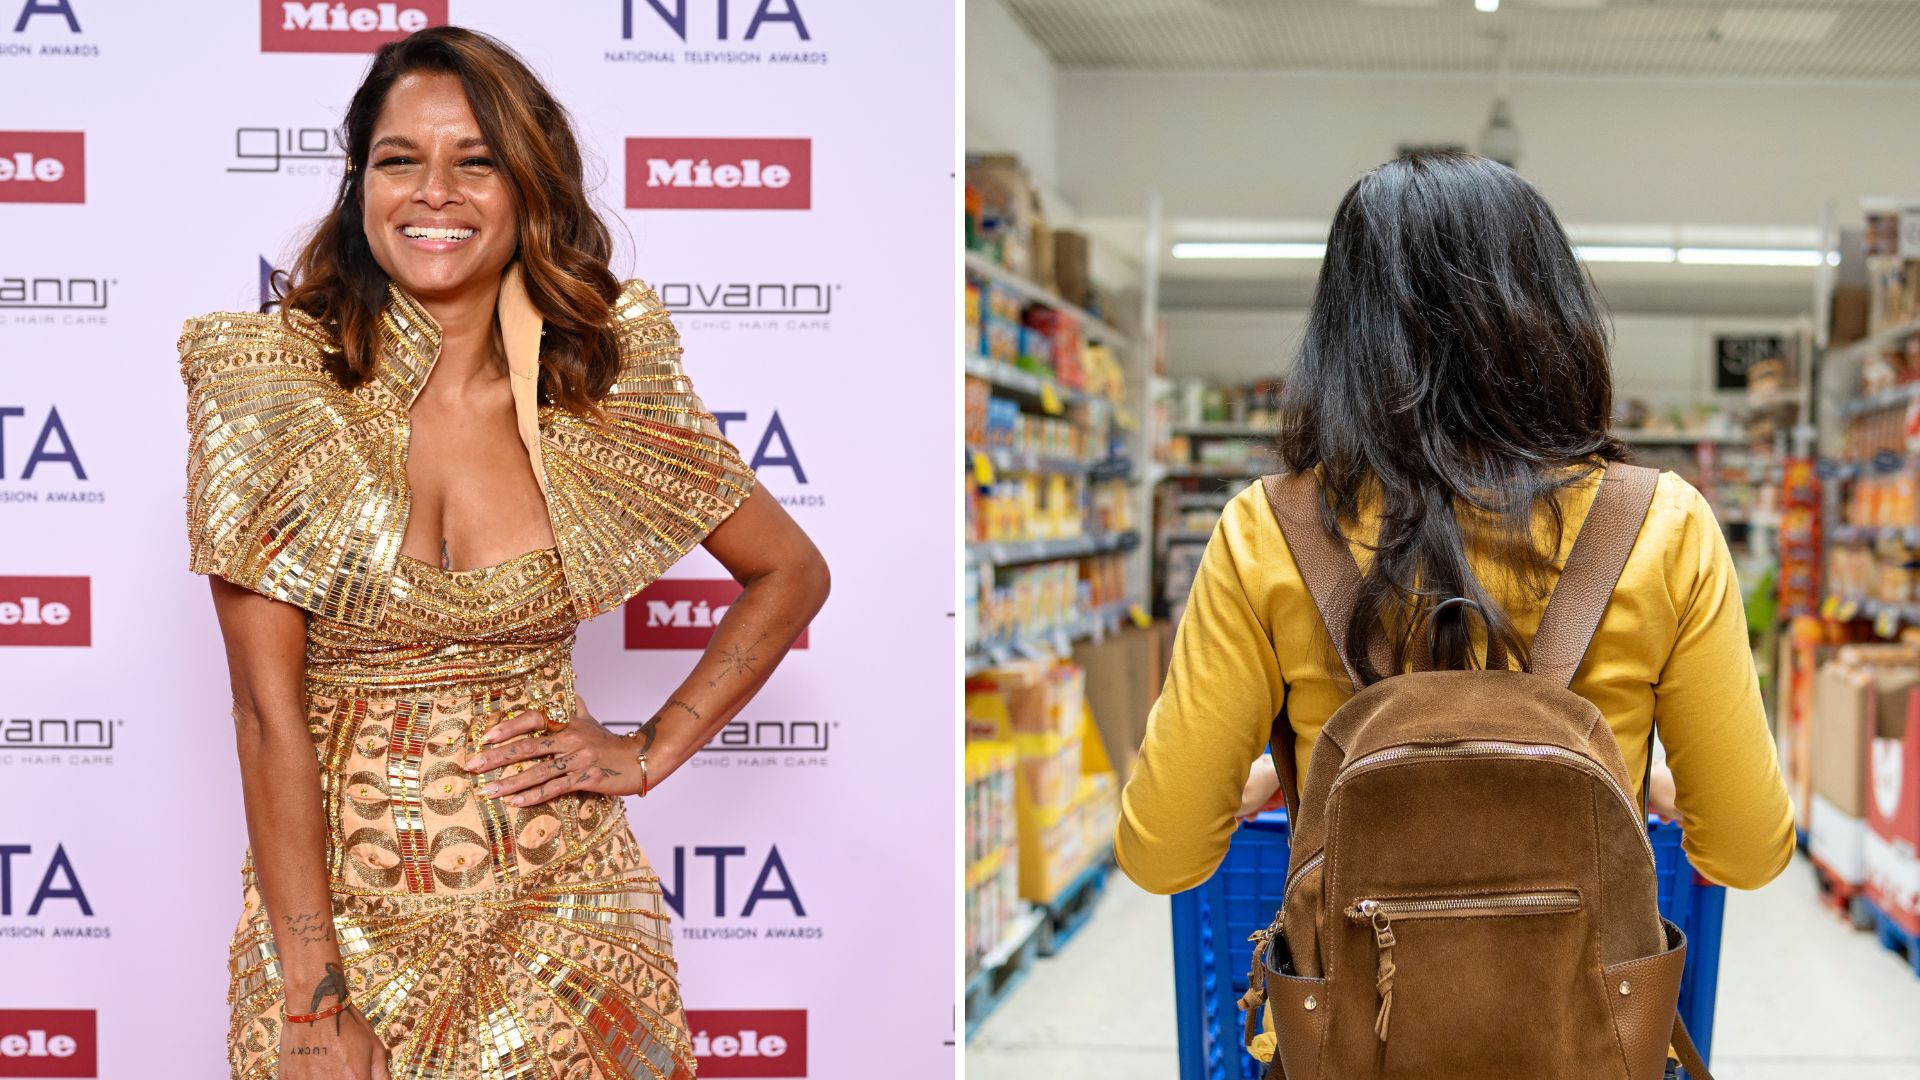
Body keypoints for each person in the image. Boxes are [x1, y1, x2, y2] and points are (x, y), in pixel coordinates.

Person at [181, 28, 829, 1080]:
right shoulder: (273, 391)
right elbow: (265, 717)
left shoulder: (597, 388)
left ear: (528, 185)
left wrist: (649, 749)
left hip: (568, 920)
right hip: (340, 930)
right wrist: (309, 1001)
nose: (434, 192)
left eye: (474, 161)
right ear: (359, 188)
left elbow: (790, 571)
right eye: (400, 160)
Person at [1116, 151, 1794, 1059]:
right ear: (1555, 316)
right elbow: (1747, 850)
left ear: (1344, 335)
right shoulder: (1663, 526)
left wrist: (1295, 772)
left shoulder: (1266, 533)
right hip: (1580, 1050)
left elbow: (1162, 854)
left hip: (1356, 1049)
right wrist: (1643, 785)